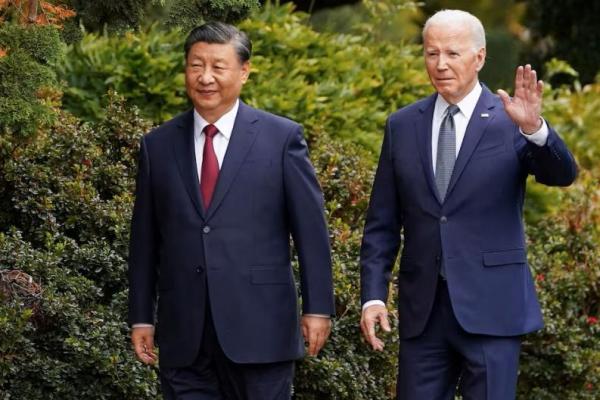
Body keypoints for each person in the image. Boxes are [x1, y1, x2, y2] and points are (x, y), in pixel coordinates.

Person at [359, 9, 577, 400]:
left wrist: (535, 130)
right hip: (423, 313)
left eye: (452, 54)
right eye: (431, 53)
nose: (440, 64)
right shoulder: (402, 125)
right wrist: (374, 295)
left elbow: (561, 175)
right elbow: (382, 222)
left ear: (479, 57)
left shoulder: (511, 120)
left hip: (492, 308)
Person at [128, 21, 334, 400]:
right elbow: (144, 241)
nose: (205, 77)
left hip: (262, 331)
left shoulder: (281, 138)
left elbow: (311, 232)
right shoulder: (157, 145)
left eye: (217, 67)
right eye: (196, 65)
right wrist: (141, 315)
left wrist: (318, 307)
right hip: (184, 335)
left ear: (243, 72)